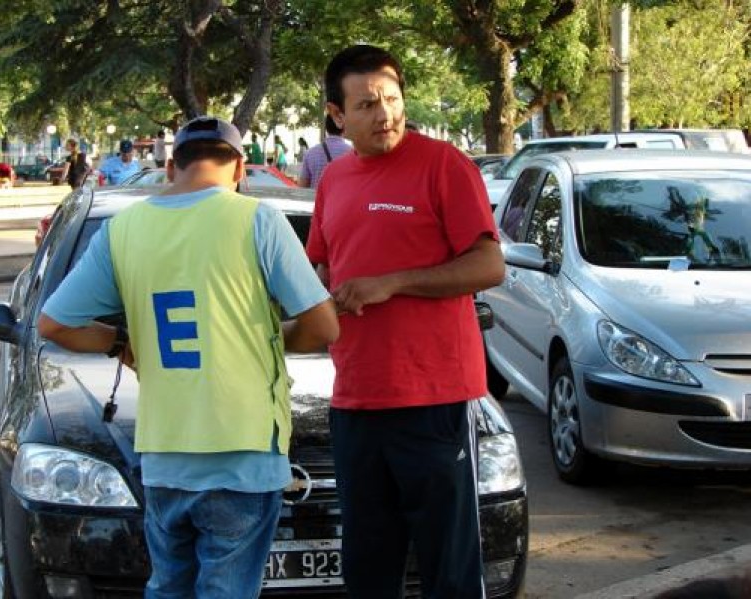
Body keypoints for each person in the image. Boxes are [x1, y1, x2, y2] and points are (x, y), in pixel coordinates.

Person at [37, 115, 340, 597]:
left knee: (168, 587)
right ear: (240, 168)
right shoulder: (256, 219)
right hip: (243, 451)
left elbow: (53, 324)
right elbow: (324, 327)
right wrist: (253, 335)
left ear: (171, 166)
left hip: (164, 451)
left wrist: (120, 344)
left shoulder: (123, 229)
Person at [306, 44, 505, 598]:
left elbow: (489, 266)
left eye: (392, 98)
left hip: (433, 399)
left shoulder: (444, 164)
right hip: (356, 400)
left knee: (449, 569)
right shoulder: (335, 179)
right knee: (369, 565)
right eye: (366, 104)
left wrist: (392, 281)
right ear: (337, 115)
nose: (385, 114)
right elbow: (321, 267)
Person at [298, 114, 352, 189]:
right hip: (343, 199)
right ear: (343, 127)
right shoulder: (353, 153)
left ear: (326, 128)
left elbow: (302, 187)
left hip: (316, 199)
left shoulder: (310, 153)